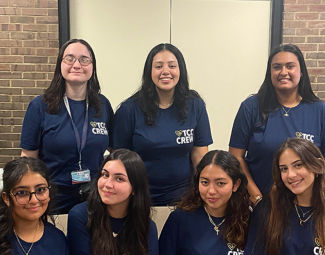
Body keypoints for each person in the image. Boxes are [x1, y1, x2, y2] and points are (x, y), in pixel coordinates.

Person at [20, 38, 114, 214]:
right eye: (70, 58)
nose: (77, 65)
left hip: (96, 196)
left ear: (92, 67)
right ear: (60, 65)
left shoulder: (102, 105)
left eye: (84, 59)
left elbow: (115, 151)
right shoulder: (40, 106)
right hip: (53, 197)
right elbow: (28, 158)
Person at [112, 43, 213, 206]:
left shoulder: (195, 106)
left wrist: (203, 195)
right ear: (149, 71)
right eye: (158, 66)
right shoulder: (129, 109)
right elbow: (118, 161)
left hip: (184, 199)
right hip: (140, 199)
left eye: (172, 66)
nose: (166, 71)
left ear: (180, 70)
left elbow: (199, 157)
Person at [229, 43, 325, 205]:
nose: (283, 72)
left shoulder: (319, 110)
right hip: (258, 203)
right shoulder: (251, 107)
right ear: (270, 72)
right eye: (277, 67)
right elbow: (235, 157)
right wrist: (256, 198)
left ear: (301, 72)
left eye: (290, 66)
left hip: (306, 206)